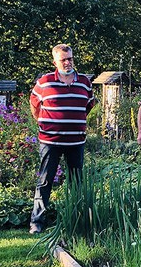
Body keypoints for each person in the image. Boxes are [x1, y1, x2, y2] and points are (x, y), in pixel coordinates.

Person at [29, 44, 94, 234]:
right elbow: (34, 106)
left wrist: (73, 120)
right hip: (50, 141)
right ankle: (37, 222)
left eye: (70, 58)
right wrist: (46, 123)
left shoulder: (84, 82)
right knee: (45, 181)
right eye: (63, 59)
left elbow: (88, 106)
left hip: (76, 142)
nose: (68, 62)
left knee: (76, 182)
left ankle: (75, 219)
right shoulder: (45, 82)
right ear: (55, 62)